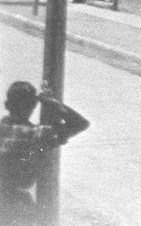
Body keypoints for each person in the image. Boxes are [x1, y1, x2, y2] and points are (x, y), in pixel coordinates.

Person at [0, 82, 90, 225]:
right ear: (33, 106)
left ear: (7, 104)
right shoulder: (36, 134)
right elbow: (80, 123)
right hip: (17, 205)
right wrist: (51, 103)